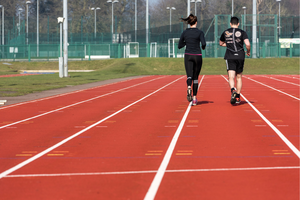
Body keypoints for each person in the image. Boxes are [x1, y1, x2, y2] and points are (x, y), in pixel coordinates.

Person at [219, 16, 251, 105]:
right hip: (240, 55)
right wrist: (248, 51)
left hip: (230, 56)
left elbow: (221, 43)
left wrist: (229, 45)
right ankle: (237, 96)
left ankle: (233, 90)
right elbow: (247, 44)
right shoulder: (242, 32)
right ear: (238, 24)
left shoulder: (225, 32)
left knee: (231, 76)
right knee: (239, 77)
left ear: (230, 23)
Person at [178, 14, 206, 106]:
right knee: (196, 78)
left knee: (189, 76)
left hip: (188, 55)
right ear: (196, 22)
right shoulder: (200, 32)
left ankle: (189, 86)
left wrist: (187, 42)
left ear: (189, 23)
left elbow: (179, 45)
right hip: (197, 55)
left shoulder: (185, 33)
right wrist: (202, 46)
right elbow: (204, 43)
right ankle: (194, 98)